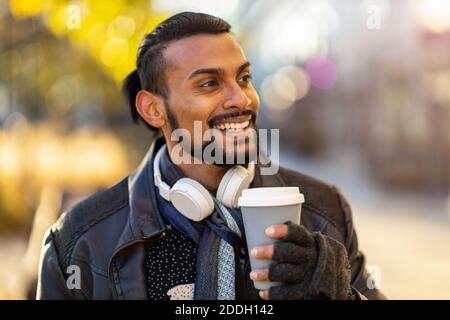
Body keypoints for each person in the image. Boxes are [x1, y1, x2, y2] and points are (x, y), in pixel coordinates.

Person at [36, 12, 385, 300]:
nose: (242, 99)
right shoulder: (78, 242)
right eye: (209, 84)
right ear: (153, 109)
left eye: (244, 78)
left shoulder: (326, 212)